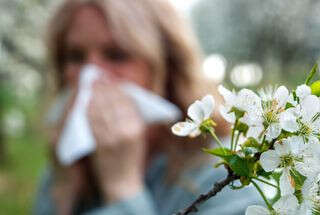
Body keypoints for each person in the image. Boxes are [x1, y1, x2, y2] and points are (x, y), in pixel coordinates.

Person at [34, 0, 261, 214]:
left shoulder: (222, 175)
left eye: (116, 55)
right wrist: (63, 195)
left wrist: (122, 187)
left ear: (167, 67)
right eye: (75, 56)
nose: (90, 76)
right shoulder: (69, 164)